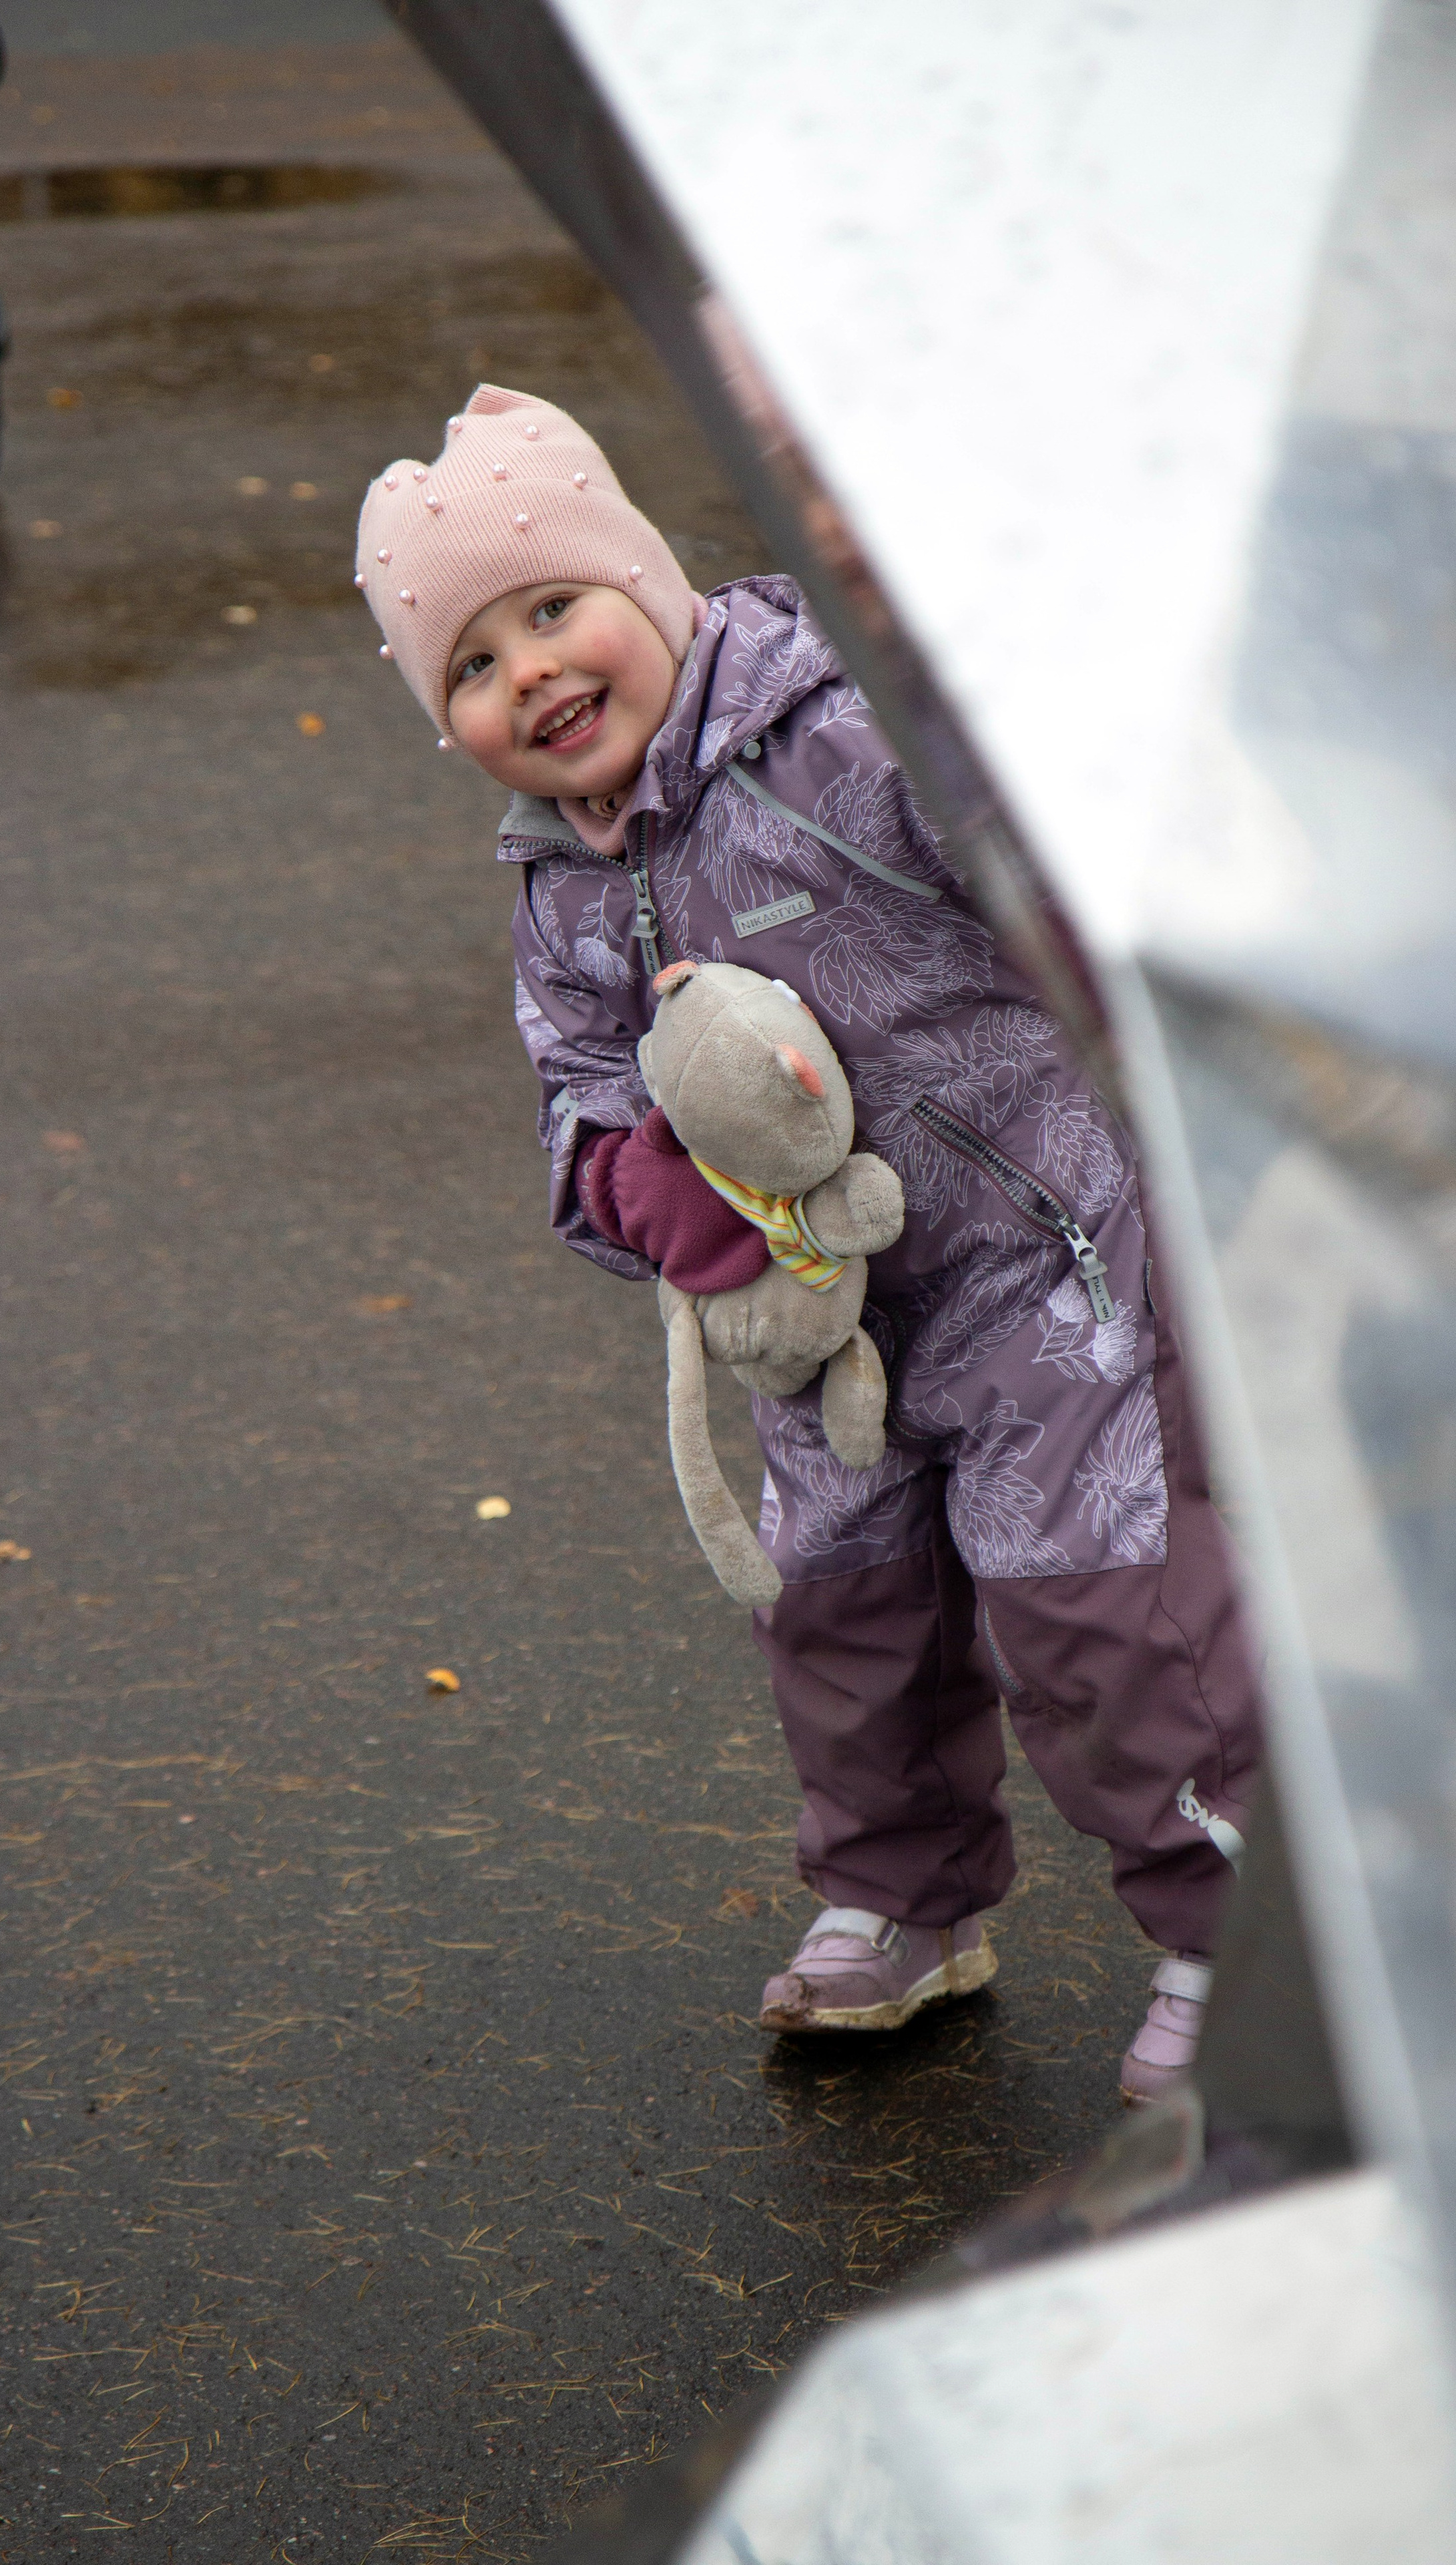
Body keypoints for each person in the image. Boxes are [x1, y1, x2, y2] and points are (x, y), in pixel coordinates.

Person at [354, 384, 1260, 2104]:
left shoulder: (834, 737)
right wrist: (651, 1200)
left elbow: (1031, 852)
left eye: (554, 608)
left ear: (648, 580)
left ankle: (1238, 1928)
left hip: (1041, 1258)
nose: (531, 670)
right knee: (842, 1617)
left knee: (1097, 1608)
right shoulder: (558, 884)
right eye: (470, 664)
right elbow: (577, 1098)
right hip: (818, 1320)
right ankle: (900, 1902)